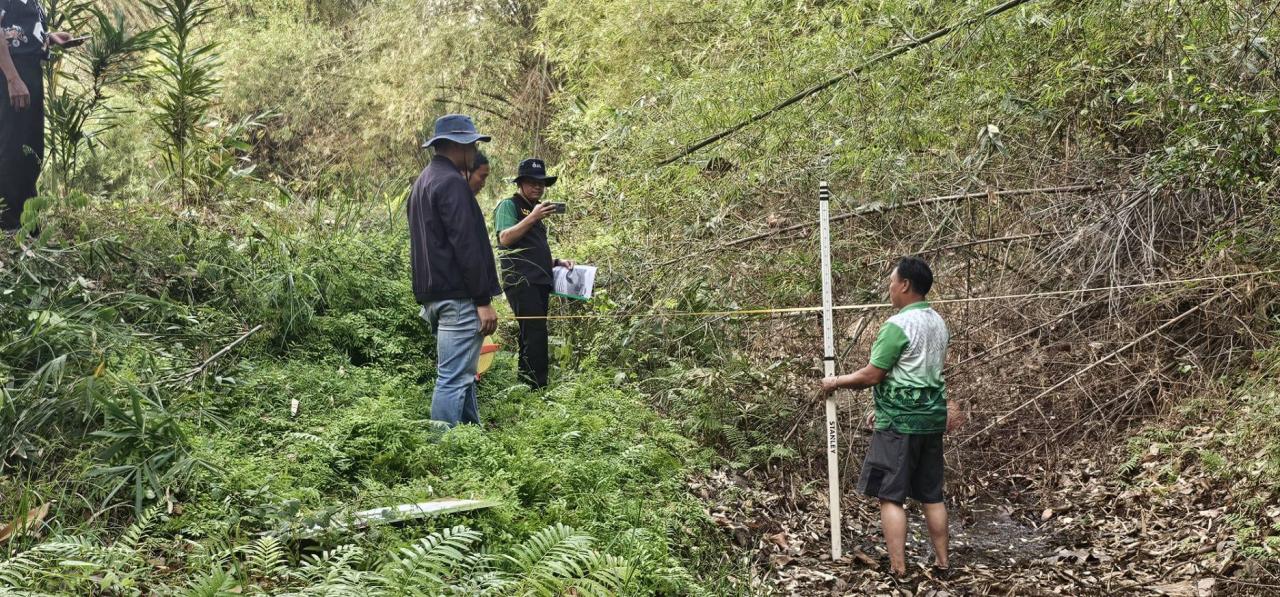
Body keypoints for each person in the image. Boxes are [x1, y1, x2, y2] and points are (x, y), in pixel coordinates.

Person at [818, 256, 964, 578]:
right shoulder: (939, 323)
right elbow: (918, 373)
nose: (889, 288)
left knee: (890, 495)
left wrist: (835, 382)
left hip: (899, 425)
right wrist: (880, 407)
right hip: (931, 419)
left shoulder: (897, 326)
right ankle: (943, 564)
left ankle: (898, 569)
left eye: (892, 282)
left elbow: (872, 375)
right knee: (931, 494)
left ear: (905, 285)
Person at [408, 114, 501, 426]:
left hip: (435, 294)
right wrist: (483, 300)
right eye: (472, 144)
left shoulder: (424, 182)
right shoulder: (451, 184)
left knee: (462, 374)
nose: (475, 150)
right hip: (459, 296)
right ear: (459, 146)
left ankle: (470, 439)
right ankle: (444, 451)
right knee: (452, 378)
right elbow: (467, 246)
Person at [492, 158, 575, 389]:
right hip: (520, 280)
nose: (537, 187)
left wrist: (557, 262)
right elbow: (505, 238)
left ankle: (525, 385)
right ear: (520, 183)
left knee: (531, 334)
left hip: (538, 281)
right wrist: (533, 216)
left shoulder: (535, 211)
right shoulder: (510, 206)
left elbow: (533, 250)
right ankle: (537, 389)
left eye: (541, 183)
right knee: (536, 334)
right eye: (531, 182)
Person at [1, 0, 76, 232]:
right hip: (11, 73)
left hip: (29, 70)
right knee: (12, 147)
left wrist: (49, 37)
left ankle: (27, 222)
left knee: (29, 148)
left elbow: (16, 31)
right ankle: (10, 224)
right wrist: (13, 79)